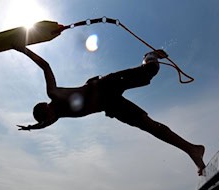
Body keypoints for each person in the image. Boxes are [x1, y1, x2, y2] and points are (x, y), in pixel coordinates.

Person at [13, 45, 206, 176]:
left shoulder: (53, 94)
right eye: (48, 121)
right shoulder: (56, 116)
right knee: (150, 126)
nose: (51, 120)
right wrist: (32, 128)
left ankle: (150, 55)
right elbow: (43, 124)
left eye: (48, 117)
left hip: (106, 85)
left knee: (150, 72)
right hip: (111, 106)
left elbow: (45, 66)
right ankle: (193, 150)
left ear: (46, 107)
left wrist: (23, 49)